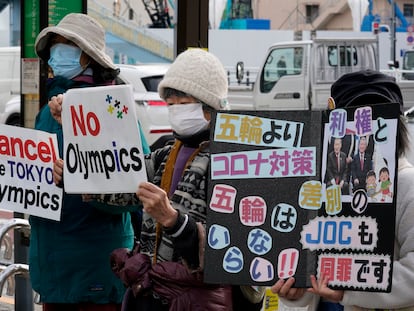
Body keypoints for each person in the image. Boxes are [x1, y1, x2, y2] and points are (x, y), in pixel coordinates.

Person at [51, 48, 264, 310]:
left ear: (211, 107)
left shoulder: (235, 160)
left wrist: (175, 222)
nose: (175, 111)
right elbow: (119, 179)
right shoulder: (166, 152)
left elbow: (239, 244)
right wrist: (73, 164)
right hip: (156, 293)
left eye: (184, 103)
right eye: (170, 103)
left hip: (202, 299)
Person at [31, 13, 149, 311]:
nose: (58, 53)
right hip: (52, 262)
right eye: (54, 46)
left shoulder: (111, 106)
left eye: (68, 45)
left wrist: (78, 178)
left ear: (88, 56)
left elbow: (138, 184)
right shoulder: (46, 111)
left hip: (98, 261)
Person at [270, 69, 414, 310]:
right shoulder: (321, 186)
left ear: (396, 126)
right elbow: (311, 265)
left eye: (379, 119)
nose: (366, 131)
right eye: (355, 119)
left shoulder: (408, 184)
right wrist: (295, 293)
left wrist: (350, 287)